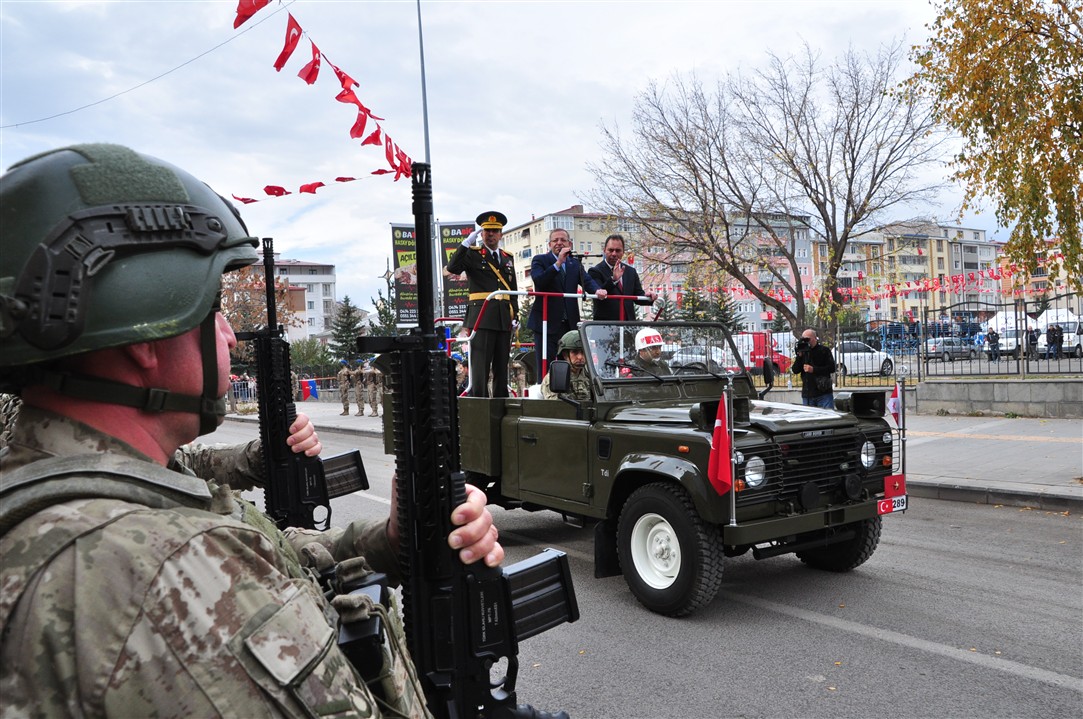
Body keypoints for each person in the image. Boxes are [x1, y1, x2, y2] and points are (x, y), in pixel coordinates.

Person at [0, 143, 503, 717]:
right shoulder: (161, 569)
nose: (231, 336)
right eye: (212, 308)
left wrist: (391, 539)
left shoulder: (87, 485)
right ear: (145, 336)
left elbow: (271, 548)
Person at [445, 211, 518, 397]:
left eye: (495, 231)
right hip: (482, 318)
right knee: (480, 368)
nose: (491, 234)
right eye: (487, 231)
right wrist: (465, 244)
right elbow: (453, 267)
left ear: (501, 233)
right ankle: (481, 406)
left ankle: (502, 403)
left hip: (503, 318)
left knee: (502, 367)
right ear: (481, 233)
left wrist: (515, 315)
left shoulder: (507, 257)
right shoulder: (472, 254)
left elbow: (513, 290)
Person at [528, 228, 607, 378]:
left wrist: (597, 291)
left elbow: (587, 281)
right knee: (546, 365)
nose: (559, 243)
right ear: (549, 244)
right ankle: (547, 397)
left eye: (563, 240)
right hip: (546, 321)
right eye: (555, 240)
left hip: (569, 323)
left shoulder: (574, 263)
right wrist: (558, 264)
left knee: (569, 365)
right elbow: (539, 281)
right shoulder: (540, 260)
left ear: (569, 243)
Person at [587, 234, 656, 321]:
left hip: (628, 326)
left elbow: (638, 297)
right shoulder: (595, 271)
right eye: (611, 250)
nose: (614, 254)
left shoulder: (631, 272)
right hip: (605, 326)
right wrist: (613, 280)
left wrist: (649, 297)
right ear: (604, 250)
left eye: (618, 250)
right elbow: (599, 293)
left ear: (623, 252)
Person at [541, 330, 594, 400]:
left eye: (583, 352)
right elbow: (555, 407)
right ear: (565, 355)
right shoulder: (555, 378)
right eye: (575, 352)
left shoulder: (591, 374)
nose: (580, 357)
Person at [791, 328, 836, 409]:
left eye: (808, 339)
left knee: (827, 418)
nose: (806, 341)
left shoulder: (824, 350)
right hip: (808, 393)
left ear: (815, 338)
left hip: (823, 392)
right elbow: (795, 370)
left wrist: (814, 370)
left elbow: (832, 368)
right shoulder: (803, 352)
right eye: (803, 339)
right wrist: (799, 356)